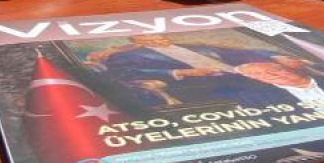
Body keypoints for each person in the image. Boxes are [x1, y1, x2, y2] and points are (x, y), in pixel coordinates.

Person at [84, 34, 291, 105]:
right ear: (137, 42)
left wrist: (272, 56)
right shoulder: (131, 56)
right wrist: (182, 73)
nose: (157, 40)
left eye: (158, 37)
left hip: (247, 76)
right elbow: (128, 74)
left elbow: (236, 53)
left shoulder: (194, 45)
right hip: (203, 86)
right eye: (147, 39)